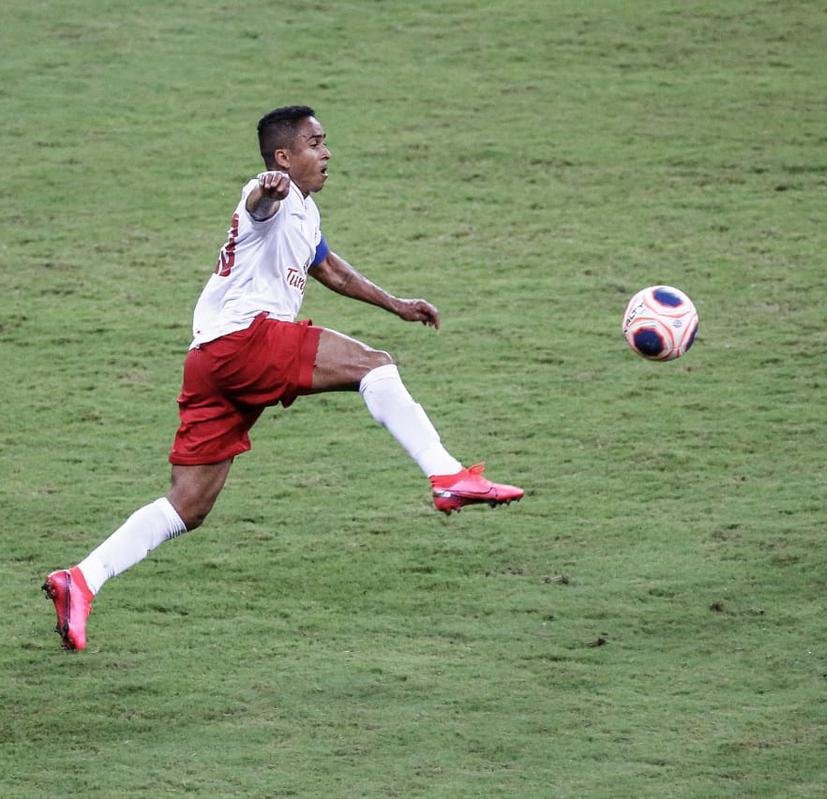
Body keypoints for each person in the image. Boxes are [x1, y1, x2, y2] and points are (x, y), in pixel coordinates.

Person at [43, 105, 524, 651]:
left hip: (209, 359)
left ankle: (81, 579)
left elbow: (329, 268)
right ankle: (447, 476)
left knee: (188, 504)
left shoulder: (306, 213)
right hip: (245, 340)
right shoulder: (270, 197)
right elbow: (259, 204)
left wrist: (397, 304)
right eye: (315, 143)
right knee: (374, 366)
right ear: (283, 156)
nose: (326, 153)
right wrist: (267, 189)